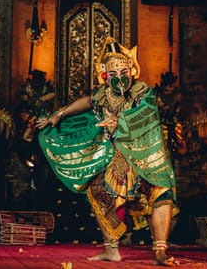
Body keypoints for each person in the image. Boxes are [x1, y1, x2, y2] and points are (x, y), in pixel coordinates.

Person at [36, 36, 179, 266]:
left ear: (132, 70)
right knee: (97, 191)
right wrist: (59, 115)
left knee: (160, 193)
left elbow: (145, 115)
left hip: (146, 156)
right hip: (117, 158)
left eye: (123, 71)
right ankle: (111, 249)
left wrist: (120, 121)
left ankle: (160, 252)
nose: (119, 77)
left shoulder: (143, 91)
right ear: (104, 74)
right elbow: (87, 101)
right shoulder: (104, 94)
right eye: (113, 74)